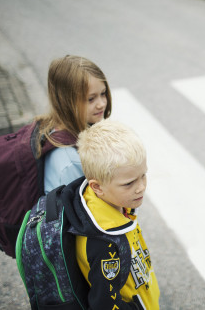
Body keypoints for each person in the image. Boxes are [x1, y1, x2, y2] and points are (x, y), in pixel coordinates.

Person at [63, 119, 160, 310]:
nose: (141, 187)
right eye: (129, 183)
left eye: (143, 175)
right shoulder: (103, 244)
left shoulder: (115, 202)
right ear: (97, 187)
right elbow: (104, 304)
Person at [35, 55, 112, 193]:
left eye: (103, 93)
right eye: (91, 99)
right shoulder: (70, 161)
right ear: (66, 102)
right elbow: (81, 210)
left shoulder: (55, 125)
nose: (101, 104)